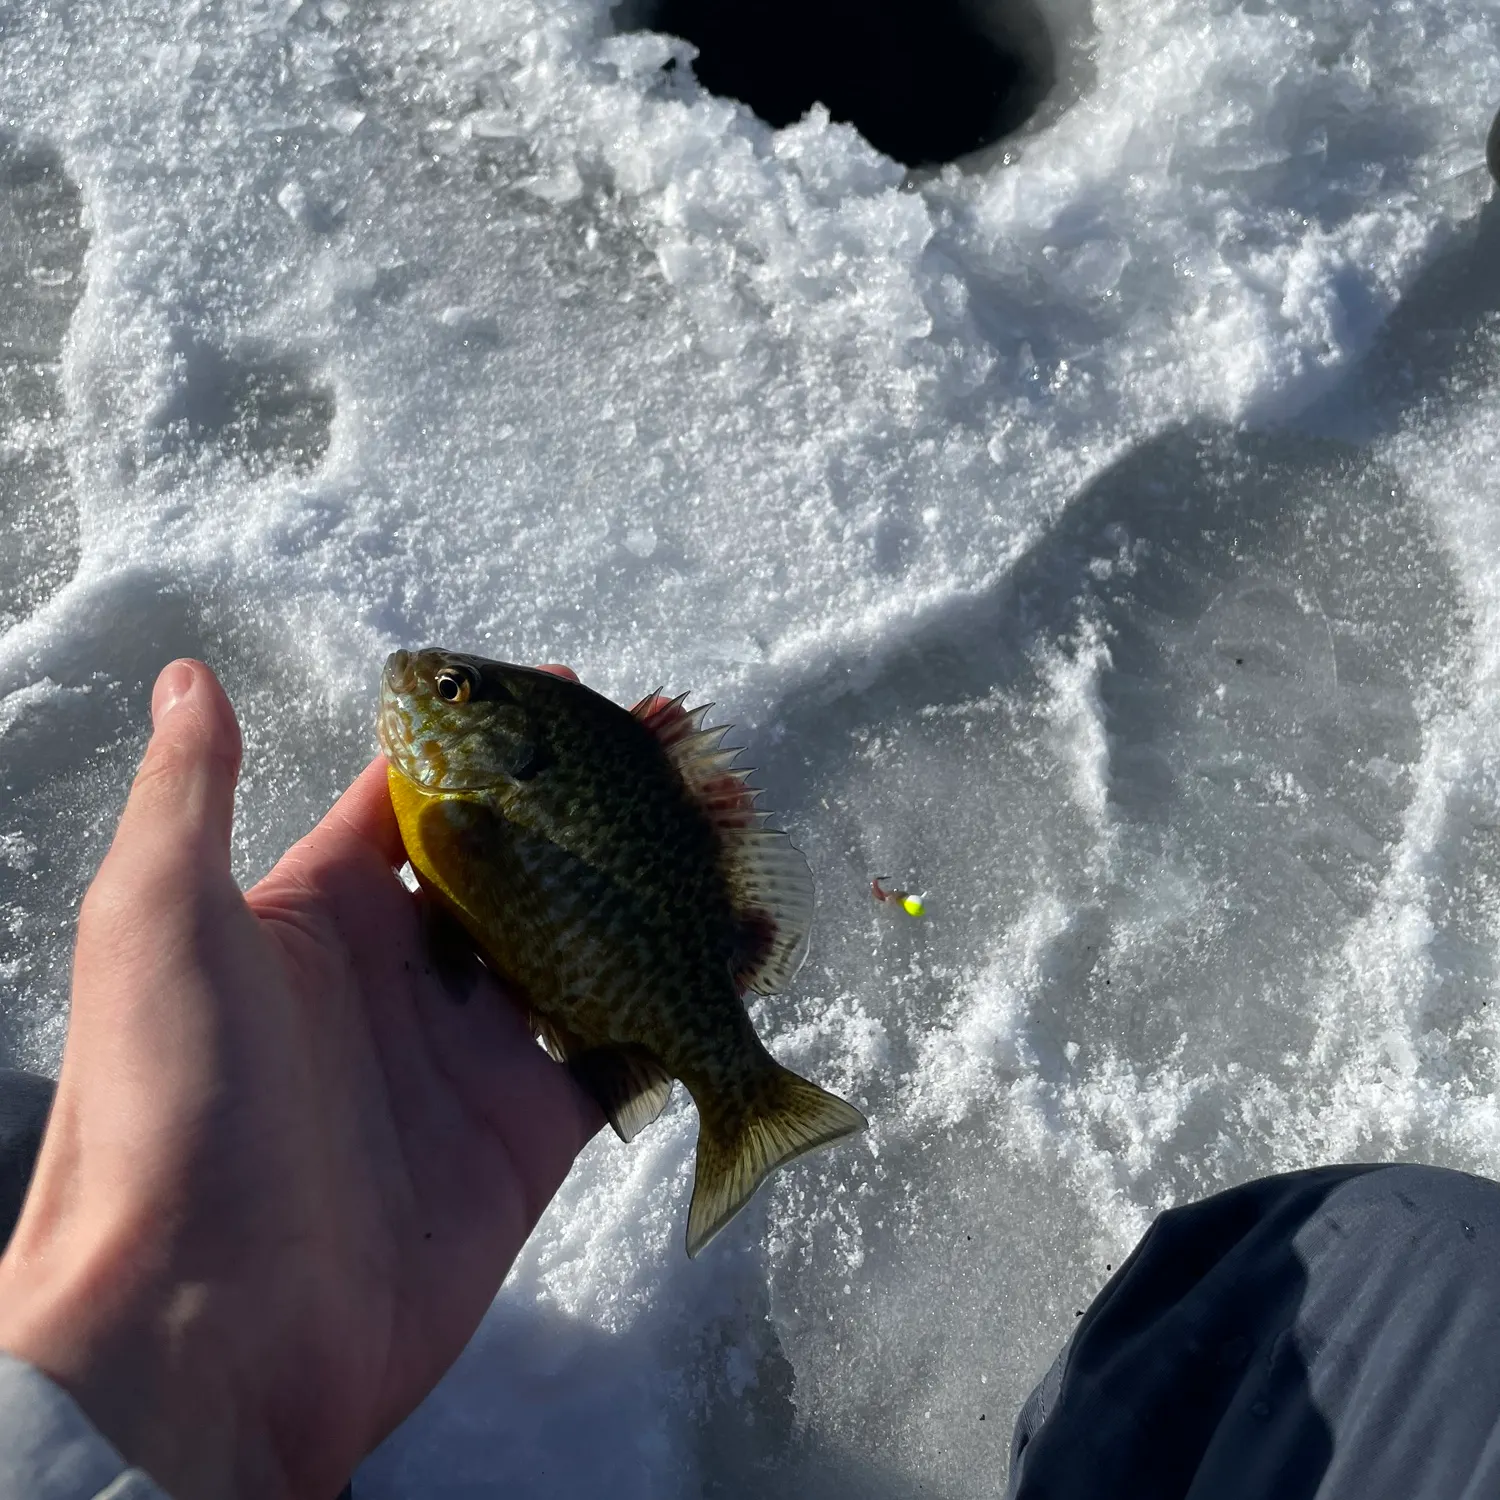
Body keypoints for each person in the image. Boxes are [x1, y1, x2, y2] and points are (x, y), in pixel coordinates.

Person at [3, 660, 1500, 1499]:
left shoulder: (469, 805)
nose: (414, 691)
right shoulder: (468, 795)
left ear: (493, 737)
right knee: (1403, 1258)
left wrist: (143, 1366)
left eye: (450, 692)